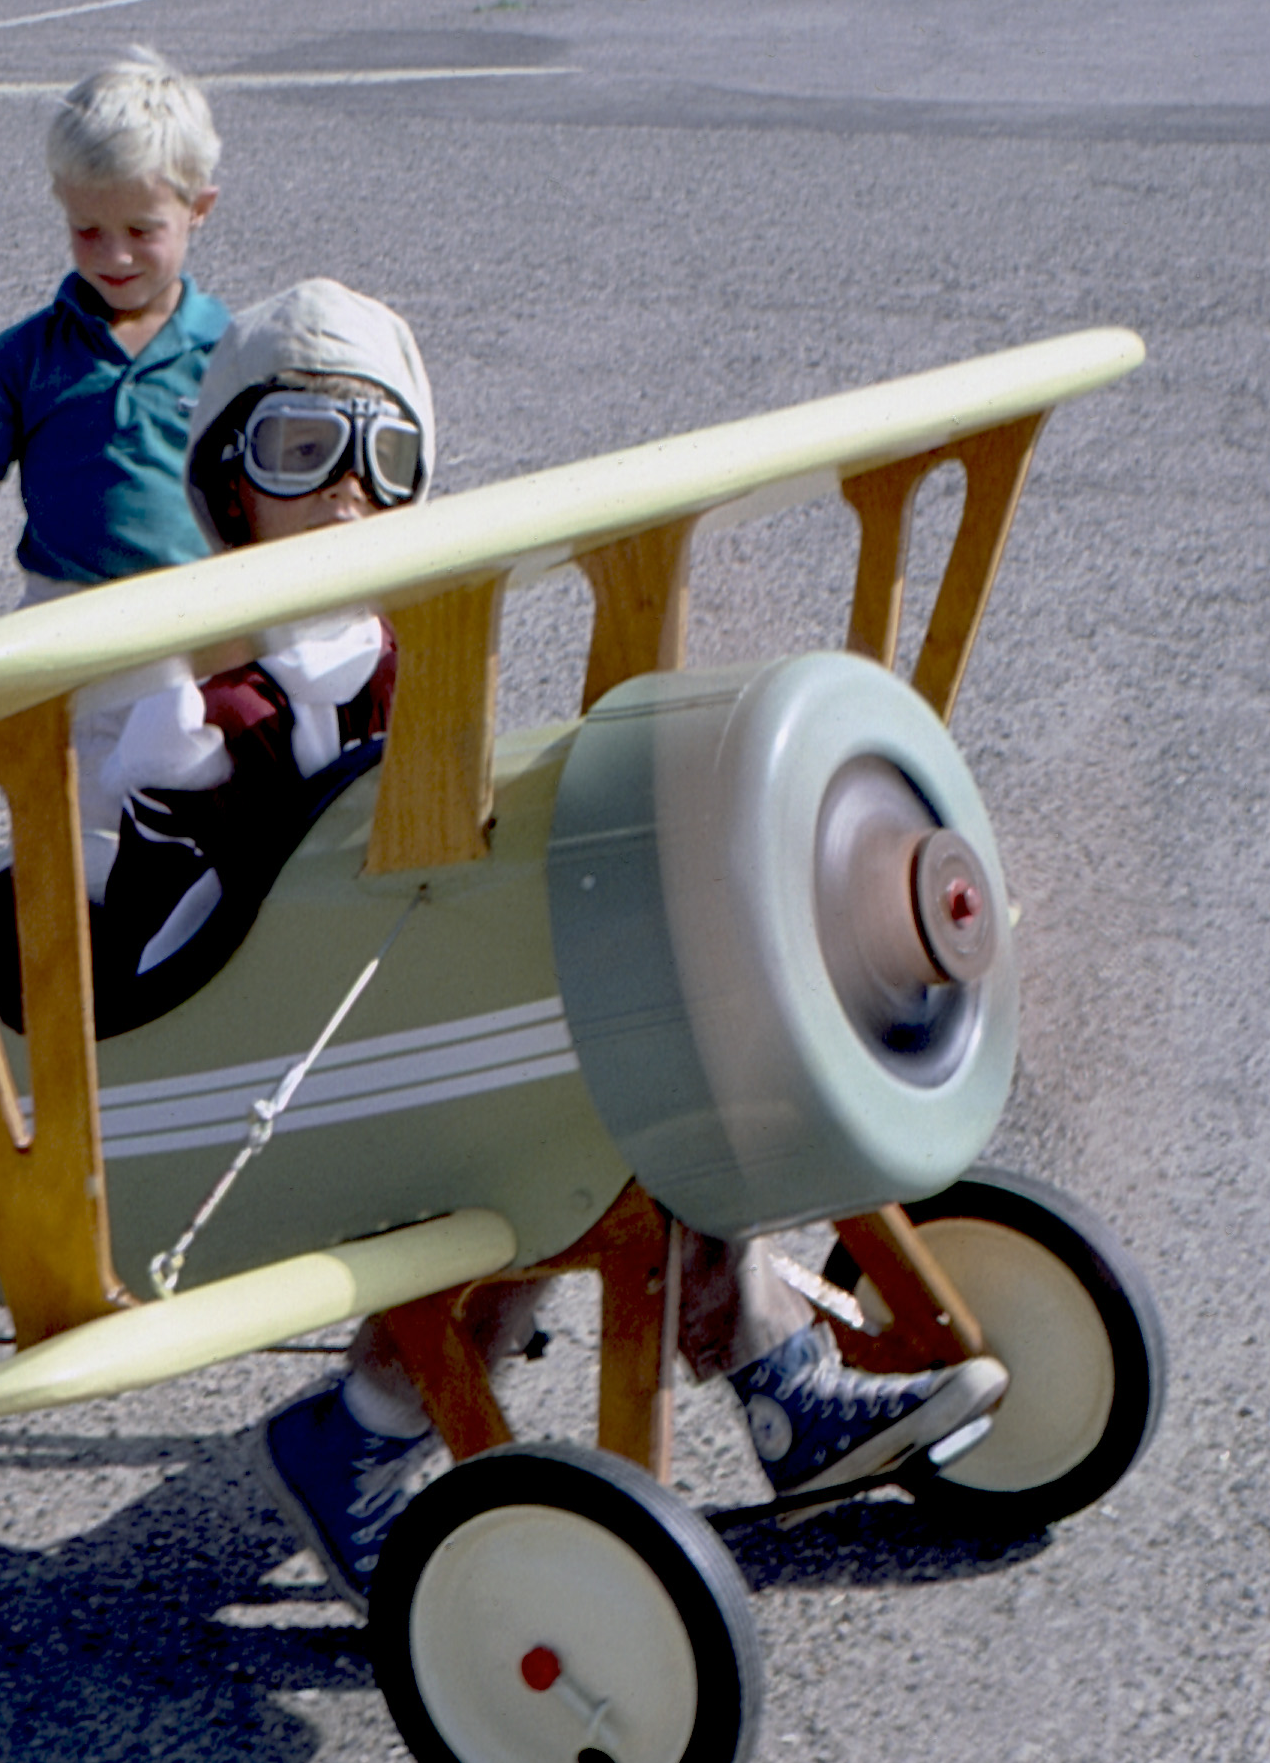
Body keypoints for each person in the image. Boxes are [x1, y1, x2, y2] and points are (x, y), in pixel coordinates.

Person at [191, 291, 1013, 1613]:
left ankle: (770, 1381)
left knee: (658, 1072)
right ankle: (363, 1438)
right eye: (300, 450)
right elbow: (199, 899)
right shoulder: (211, 689)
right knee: (556, 1151)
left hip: (395, 990)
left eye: (385, 459)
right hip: (275, 1051)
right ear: (228, 482)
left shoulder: (387, 644)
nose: (346, 490)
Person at [0, 46, 234, 899]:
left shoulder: (233, 351)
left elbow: (271, 504)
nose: (114, 255)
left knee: (207, 839)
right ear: (60, 204)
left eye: (142, 230)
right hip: (66, 634)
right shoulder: (22, 358)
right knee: (78, 852)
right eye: (88, 230)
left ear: (198, 209)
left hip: (197, 629)